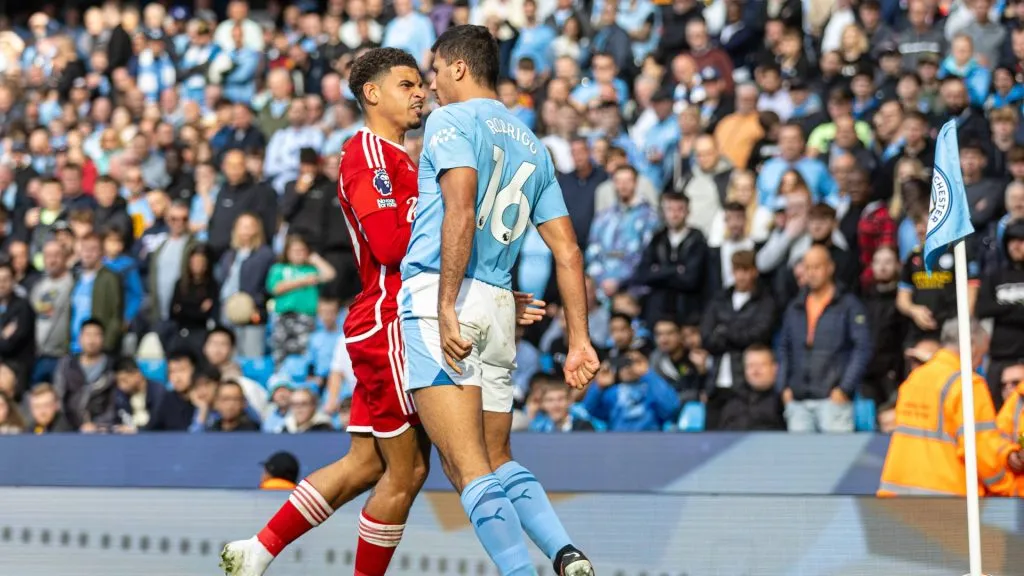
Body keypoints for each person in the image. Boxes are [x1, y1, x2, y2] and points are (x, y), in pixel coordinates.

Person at [221, 48, 434, 576]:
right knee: (406, 475)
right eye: (406, 84)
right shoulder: (368, 155)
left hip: (391, 321)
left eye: (420, 84)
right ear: (372, 93)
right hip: (391, 322)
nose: (420, 93)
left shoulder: (403, 157)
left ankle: (259, 549)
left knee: (365, 464)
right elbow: (388, 244)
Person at [401, 26, 597, 576]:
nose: (431, 84)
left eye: (435, 70)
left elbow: (459, 211)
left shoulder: (450, 120)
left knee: (465, 467)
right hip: (498, 302)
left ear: (459, 68)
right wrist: (579, 339)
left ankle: (519, 572)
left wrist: (444, 304)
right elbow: (569, 251)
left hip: (445, 294)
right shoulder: (532, 141)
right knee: (497, 458)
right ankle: (565, 553)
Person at [879, 318, 1020, 496]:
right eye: (982, 355)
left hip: (897, 492)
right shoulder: (967, 384)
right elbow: (979, 448)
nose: (979, 363)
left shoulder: (915, 378)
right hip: (945, 496)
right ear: (972, 346)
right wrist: (1009, 488)